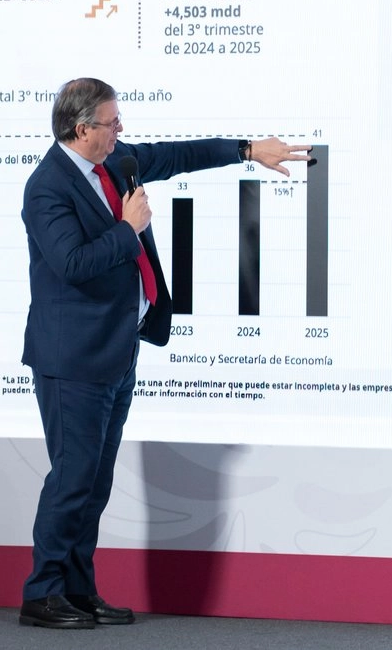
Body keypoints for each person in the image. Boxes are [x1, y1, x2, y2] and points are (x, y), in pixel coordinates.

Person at [18, 77, 311, 629]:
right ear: (81, 129)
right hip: (71, 360)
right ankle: (43, 593)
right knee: (72, 479)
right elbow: (72, 265)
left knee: (94, 484)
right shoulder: (47, 187)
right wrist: (128, 230)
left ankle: (77, 589)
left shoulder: (115, 163)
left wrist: (248, 150)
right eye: (111, 122)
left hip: (116, 351)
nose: (120, 130)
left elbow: (178, 156)